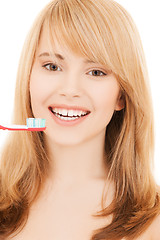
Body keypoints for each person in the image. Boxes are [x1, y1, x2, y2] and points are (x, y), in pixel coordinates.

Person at [0, 0, 160, 239]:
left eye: (96, 72)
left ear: (122, 95)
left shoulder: (154, 220)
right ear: (28, 78)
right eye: (52, 66)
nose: (70, 89)